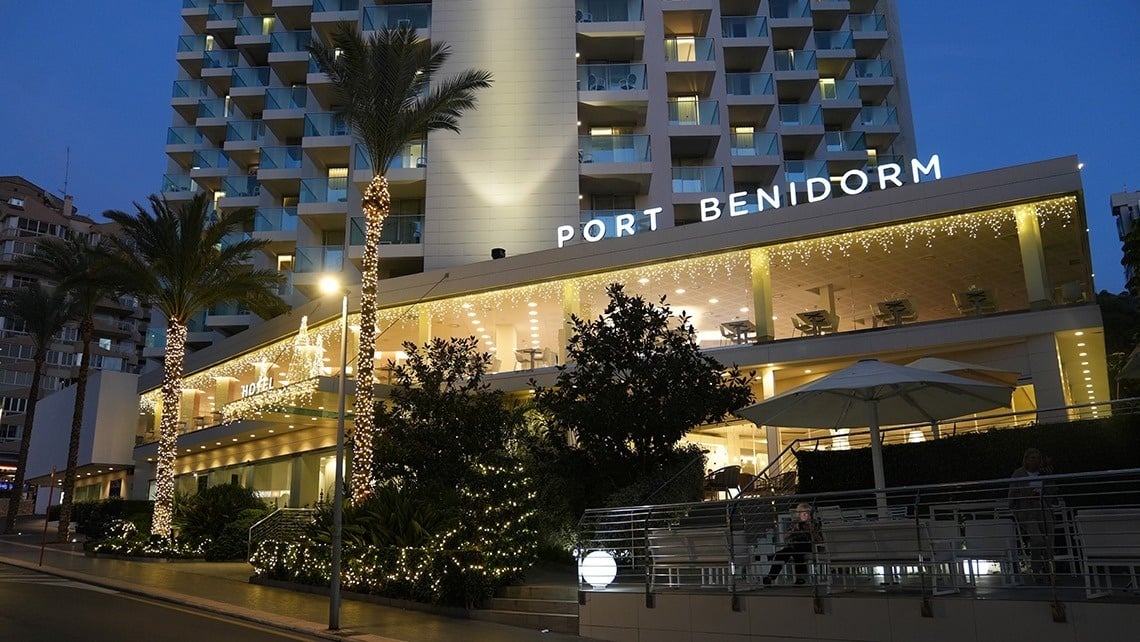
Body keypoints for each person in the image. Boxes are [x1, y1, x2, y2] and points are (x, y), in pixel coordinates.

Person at [1008, 447, 1056, 580]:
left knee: (1049, 539)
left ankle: (1050, 571)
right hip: (1027, 510)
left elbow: (1052, 491)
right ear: (1026, 460)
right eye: (1032, 458)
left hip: (1042, 507)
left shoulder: (1043, 473)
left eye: (1037, 458)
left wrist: (1050, 477)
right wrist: (1025, 495)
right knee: (1037, 539)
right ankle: (1036, 569)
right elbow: (1012, 495)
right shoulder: (1019, 474)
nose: (1035, 461)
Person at [763, 502, 822, 585]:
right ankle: (771, 577)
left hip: (807, 545)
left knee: (792, 551)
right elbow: (785, 536)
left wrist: (811, 531)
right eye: (803, 514)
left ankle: (775, 557)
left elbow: (820, 540)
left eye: (808, 514)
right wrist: (794, 530)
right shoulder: (795, 523)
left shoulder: (814, 524)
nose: (806, 516)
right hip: (793, 546)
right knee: (787, 553)